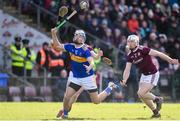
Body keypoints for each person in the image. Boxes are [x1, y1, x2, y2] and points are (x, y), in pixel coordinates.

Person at [51, 28, 117, 119]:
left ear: (83, 39)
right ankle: (65, 114)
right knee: (67, 97)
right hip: (75, 77)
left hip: (87, 78)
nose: (79, 37)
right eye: (77, 35)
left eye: (81, 35)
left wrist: (94, 61)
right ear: (74, 37)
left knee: (96, 101)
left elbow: (93, 60)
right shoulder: (70, 46)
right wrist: (53, 34)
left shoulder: (86, 49)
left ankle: (110, 87)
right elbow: (57, 46)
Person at [120, 35, 179, 118]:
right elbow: (127, 69)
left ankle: (158, 99)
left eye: (131, 41)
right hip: (144, 75)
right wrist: (124, 79)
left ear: (136, 42)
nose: (129, 43)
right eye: (128, 41)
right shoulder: (130, 55)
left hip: (152, 74)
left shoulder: (143, 49)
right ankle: (156, 113)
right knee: (141, 96)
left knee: (141, 93)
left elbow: (158, 53)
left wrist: (170, 60)